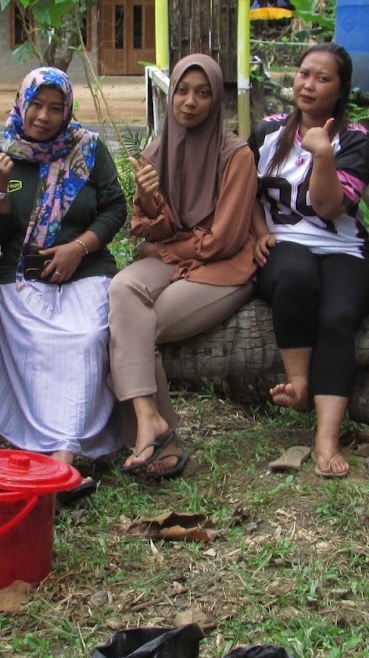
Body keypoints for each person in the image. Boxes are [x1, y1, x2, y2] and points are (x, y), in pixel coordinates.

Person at [107, 54, 257, 479]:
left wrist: (167, 252)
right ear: (170, 94)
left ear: (216, 101)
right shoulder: (158, 150)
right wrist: (151, 198)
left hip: (223, 268)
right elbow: (156, 229)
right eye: (183, 91)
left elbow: (224, 239)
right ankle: (154, 424)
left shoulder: (236, 155)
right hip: (176, 254)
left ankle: (159, 433)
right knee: (122, 290)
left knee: (140, 326)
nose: (190, 102)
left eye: (203, 93)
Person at [0, 67, 128, 492]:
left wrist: (78, 247)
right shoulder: (2, 156)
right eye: (36, 105)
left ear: (68, 110)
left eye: (55, 107)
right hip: (22, 276)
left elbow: (115, 209)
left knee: (84, 340)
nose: (44, 117)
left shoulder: (88, 150)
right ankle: (42, 451)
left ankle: (61, 458)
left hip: (85, 271)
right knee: (35, 343)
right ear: (21, 102)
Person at [250, 43, 369, 478]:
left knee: (339, 317)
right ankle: (299, 383)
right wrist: (260, 232)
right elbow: (243, 192)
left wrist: (323, 152)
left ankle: (326, 437)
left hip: (343, 248)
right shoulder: (267, 131)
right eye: (304, 74)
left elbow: (327, 207)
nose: (309, 84)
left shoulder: (356, 139)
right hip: (282, 243)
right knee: (293, 274)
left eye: (323, 78)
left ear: (341, 90)